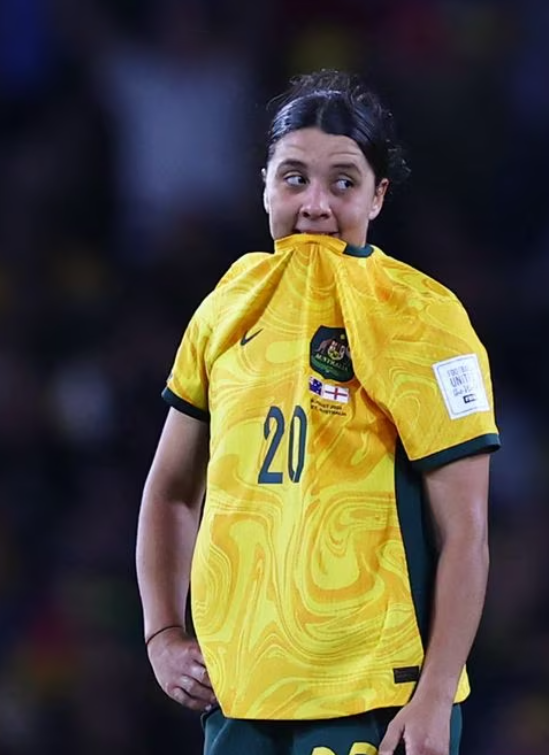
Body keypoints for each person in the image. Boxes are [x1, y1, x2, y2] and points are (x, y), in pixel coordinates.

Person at [136, 69, 501, 755]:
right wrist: (162, 632)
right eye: (295, 177)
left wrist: (433, 693)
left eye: (343, 182)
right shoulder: (225, 307)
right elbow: (172, 489)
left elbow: (467, 531)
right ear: (264, 183)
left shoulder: (426, 317)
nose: (315, 204)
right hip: (243, 687)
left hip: (372, 692)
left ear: (379, 195)